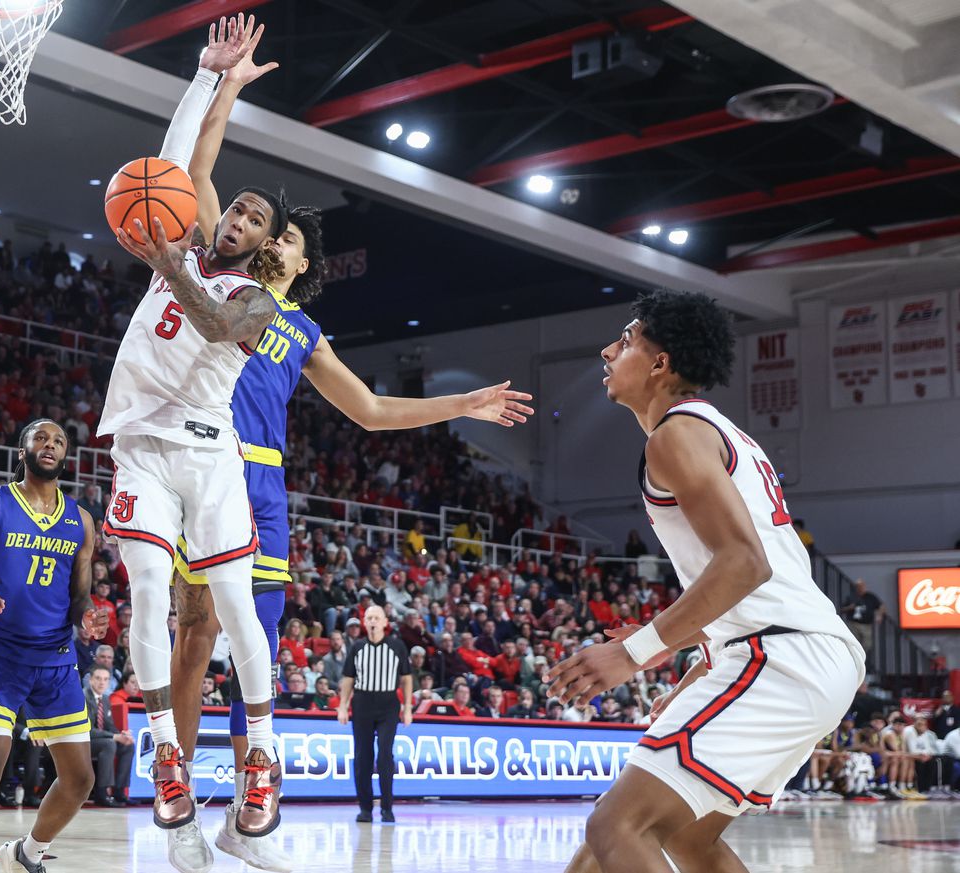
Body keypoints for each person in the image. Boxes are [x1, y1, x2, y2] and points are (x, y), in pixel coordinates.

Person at [163, 18, 532, 869]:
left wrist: (463, 402)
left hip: (265, 490)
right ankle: (179, 813)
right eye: (268, 227)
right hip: (206, 465)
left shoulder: (304, 330)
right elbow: (202, 172)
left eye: (283, 234)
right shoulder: (227, 280)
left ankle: (243, 818)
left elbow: (368, 410)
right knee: (191, 643)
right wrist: (227, 88)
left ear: (297, 259)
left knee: (252, 658)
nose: (269, 234)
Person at [549, 291, 864, 873]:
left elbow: (746, 564)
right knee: (679, 839)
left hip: (782, 655)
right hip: (789, 650)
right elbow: (750, 579)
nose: (607, 350)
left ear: (660, 363)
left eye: (625, 340)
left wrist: (635, 652)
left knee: (618, 824)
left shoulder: (677, 434)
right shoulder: (711, 432)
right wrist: (698, 667)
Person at [99, 16, 291, 863]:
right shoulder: (180, 229)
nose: (238, 218)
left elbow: (216, 319)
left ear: (262, 245)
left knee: (237, 609)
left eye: (253, 219)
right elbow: (179, 166)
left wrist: (169, 259)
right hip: (141, 439)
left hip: (211, 454)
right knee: (146, 589)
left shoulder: (259, 304)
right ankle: (168, 754)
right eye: (234, 207)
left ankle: (262, 754)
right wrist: (208, 78)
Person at [0, 419, 108, 873]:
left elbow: (79, 599)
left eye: (58, 442)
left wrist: (88, 618)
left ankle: (25, 853)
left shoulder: (82, 521)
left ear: (65, 455)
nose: (49, 446)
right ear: (22, 449)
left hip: (55, 660)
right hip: (1, 657)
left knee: (80, 778)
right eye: (41, 438)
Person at [336, 605, 412, 823]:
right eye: (369, 617)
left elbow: (406, 678)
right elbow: (348, 678)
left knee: (385, 754)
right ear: (364, 621)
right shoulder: (357, 647)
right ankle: (365, 809)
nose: (372, 621)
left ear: (385, 622)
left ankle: (387, 808)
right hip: (362, 703)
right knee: (362, 757)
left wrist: (407, 708)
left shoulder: (397, 646)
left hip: (388, 703)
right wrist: (343, 706)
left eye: (377, 618)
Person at [84, 664, 134, 808]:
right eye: (98, 678)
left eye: (106, 679)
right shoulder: (83, 697)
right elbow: (88, 730)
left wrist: (122, 735)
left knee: (128, 745)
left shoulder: (105, 699)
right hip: (84, 742)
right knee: (109, 744)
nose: (102, 682)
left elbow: (110, 726)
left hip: (100, 740)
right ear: (90, 680)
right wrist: (114, 737)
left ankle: (119, 791)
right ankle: (102, 793)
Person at [839, 579, 882, 667]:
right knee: (854, 643)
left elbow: (881, 606)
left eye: (862, 586)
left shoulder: (870, 597)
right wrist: (850, 607)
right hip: (854, 623)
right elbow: (842, 609)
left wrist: (879, 615)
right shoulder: (851, 597)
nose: (861, 589)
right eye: (859, 587)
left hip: (866, 624)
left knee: (867, 644)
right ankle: (854, 662)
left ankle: (861, 660)